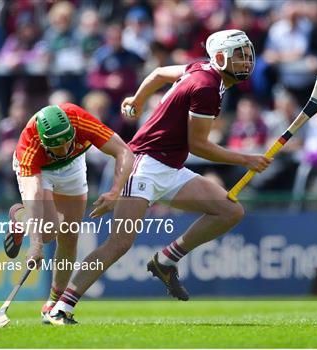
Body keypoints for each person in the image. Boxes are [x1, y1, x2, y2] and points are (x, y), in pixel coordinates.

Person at [47, 29, 271, 325]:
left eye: (247, 55)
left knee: (229, 210)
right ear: (219, 58)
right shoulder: (206, 86)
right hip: (143, 165)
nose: (246, 62)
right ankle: (61, 308)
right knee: (119, 243)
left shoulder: (200, 69)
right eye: (239, 56)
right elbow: (199, 145)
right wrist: (246, 159)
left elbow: (158, 73)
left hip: (170, 168)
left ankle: (165, 260)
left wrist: (138, 99)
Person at [4, 102, 134, 324]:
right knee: (48, 235)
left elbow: (124, 152)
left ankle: (52, 304)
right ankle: (20, 216)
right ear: (45, 143)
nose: (64, 151)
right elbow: (33, 193)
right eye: (57, 147)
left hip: (73, 168)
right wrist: (35, 245)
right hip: (41, 171)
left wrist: (114, 192)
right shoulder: (29, 146)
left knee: (69, 236)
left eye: (67, 143)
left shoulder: (80, 120)